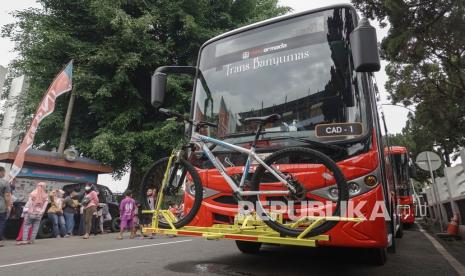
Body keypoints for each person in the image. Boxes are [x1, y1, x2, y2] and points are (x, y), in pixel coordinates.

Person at [0, 166, 12, 247]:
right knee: (1, 223)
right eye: (4, 172)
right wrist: (8, 206)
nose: (4, 174)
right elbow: (7, 196)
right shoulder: (5, 182)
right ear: (1, 172)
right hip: (1, 206)